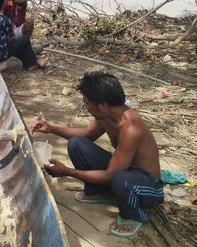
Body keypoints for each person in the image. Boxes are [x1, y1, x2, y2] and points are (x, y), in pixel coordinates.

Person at [32, 71, 163, 238]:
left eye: (87, 103)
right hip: (125, 172)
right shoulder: (106, 116)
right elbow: (87, 135)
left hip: (148, 186)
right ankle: (100, 192)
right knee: (77, 142)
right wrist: (51, 128)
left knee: (119, 179)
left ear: (102, 105)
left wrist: (66, 171)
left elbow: (111, 175)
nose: (86, 106)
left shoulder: (131, 128)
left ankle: (133, 215)